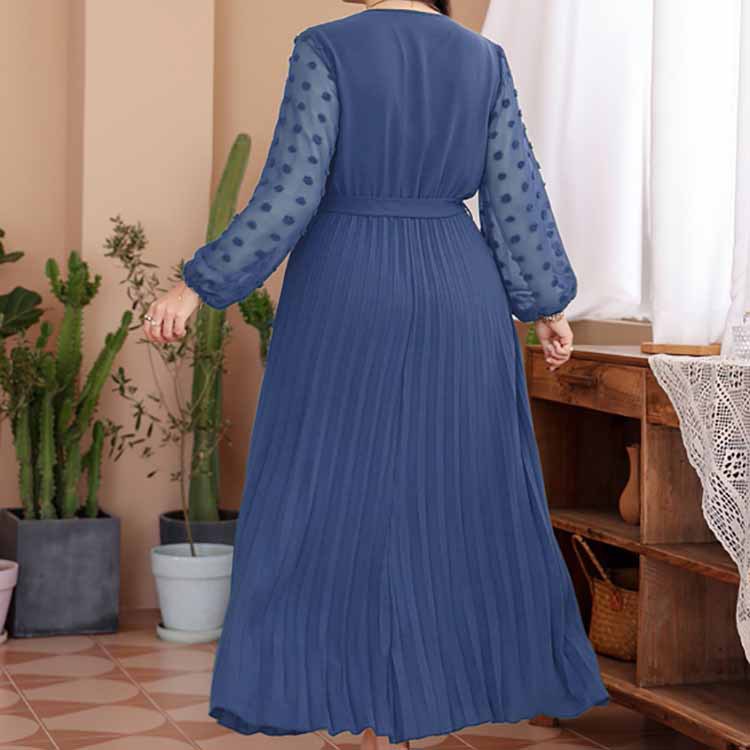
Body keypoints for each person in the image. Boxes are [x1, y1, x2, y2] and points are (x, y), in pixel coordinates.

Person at [143, 0, 610, 747]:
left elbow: (291, 190)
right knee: (454, 499)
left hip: (347, 286)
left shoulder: (325, 46)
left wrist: (199, 284)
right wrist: (545, 303)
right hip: (458, 287)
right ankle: (429, 697)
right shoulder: (481, 58)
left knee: (322, 495)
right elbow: (514, 190)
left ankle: (341, 692)